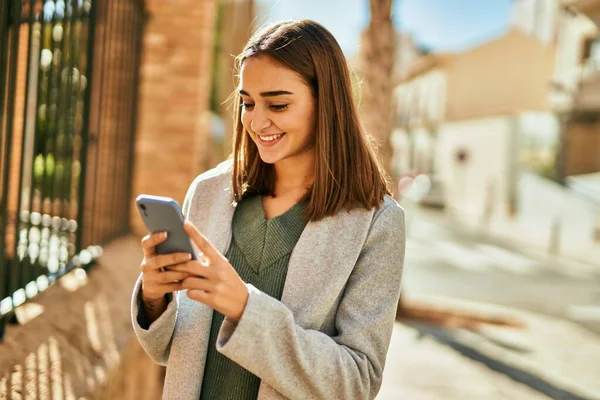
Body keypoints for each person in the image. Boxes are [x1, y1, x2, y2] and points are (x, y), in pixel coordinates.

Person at [131, 19, 405, 400]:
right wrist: (154, 299)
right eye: (247, 103)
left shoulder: (377, 224)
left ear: (326, 102)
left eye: (277, 104)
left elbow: (357, 382)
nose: (257, 122)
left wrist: (246, 310)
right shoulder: (209, 192)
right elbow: (170, 350)